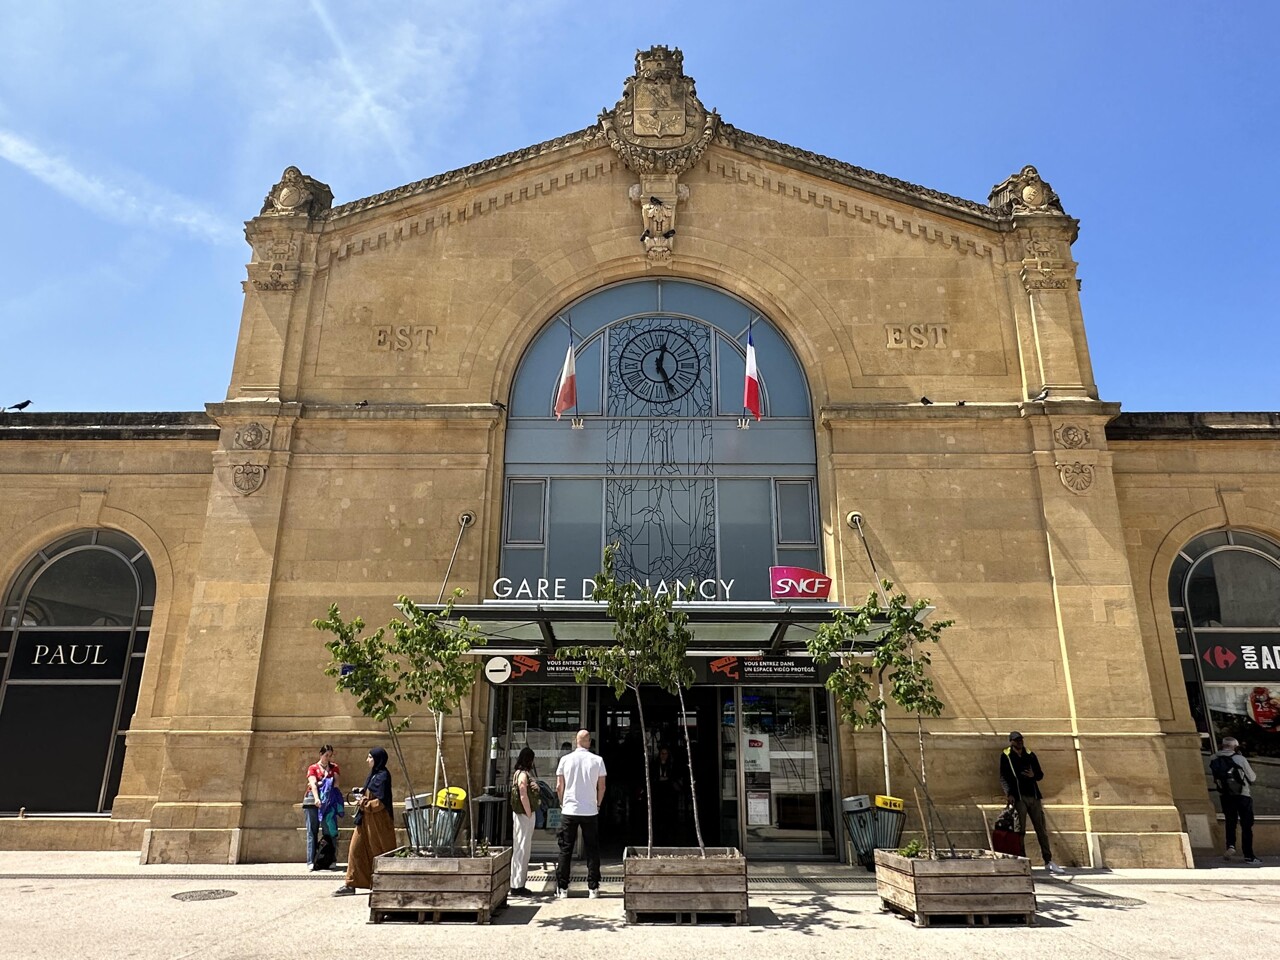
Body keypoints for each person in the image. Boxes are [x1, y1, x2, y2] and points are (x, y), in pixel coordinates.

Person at [333, 747, 396, 896]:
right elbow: (370, 793)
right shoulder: (373, 775)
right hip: (365, 820)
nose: (367, 760)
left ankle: (386, 883)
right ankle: (351, 883)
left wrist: (364, 803)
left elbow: (380, 803)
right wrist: (361, 793)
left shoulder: (383, 776)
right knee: (356, 850)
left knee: (380, 852)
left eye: (370, 757)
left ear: (377, 759)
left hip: (377, 823)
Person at [999, 732, 1063, 874]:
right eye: (1016, 740)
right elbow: (1003, 776)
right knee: (1019, 830)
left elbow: (1040, 774)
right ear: (1011, 742)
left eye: (1021, 739)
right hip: (1019, 797)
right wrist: (1008, 793)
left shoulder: (1030, 754)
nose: (1020, 742)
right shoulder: (1006, 755)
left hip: (1033, 796)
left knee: (1041, 829)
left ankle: (1048, 860)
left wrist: (1033, 775)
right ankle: (1022, 859)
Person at [555, 729, 607, 899]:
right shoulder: (597, 760)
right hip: (590, 811)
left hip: (569, 809)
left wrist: (563, 802)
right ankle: (593, 888)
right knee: (592, 849)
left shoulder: (565, 760)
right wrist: (597, 804)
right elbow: (602, 786)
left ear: (576, 741)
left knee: (566, 849)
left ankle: (562, 888)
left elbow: (559, 786)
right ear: (589, 742)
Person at [1211, 736, 1260, 864]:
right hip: (1242, 795)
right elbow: (1252, 777)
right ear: (1235, 747)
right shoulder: (1240, 759)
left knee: (1230, 822)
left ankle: (1230, 845)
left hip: (1226, 795)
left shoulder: (1214, 758)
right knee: (1246, 825)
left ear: (1222, 746)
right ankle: (1249, 855)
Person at [510, 747, 541, 897]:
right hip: (524, 815)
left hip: (521, 814)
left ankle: (517, 883)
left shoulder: (519, 773)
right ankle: (517, 885)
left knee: (521, 847)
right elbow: (523, 794)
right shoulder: (523, 775)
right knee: (523, 848)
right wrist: (529, 813)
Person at [303, 744, 339, 869]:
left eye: (330, 755)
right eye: (325, 755)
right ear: (320, 754)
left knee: (329, 830)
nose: (327, 758)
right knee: (312, 831)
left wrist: (323, 782)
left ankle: (330, 859)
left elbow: (336, 784)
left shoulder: (334, 768)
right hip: (313, 800)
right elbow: (312, 784)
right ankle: (310, 861)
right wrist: (317, 798)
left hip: (328, 802)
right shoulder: (313, 768)